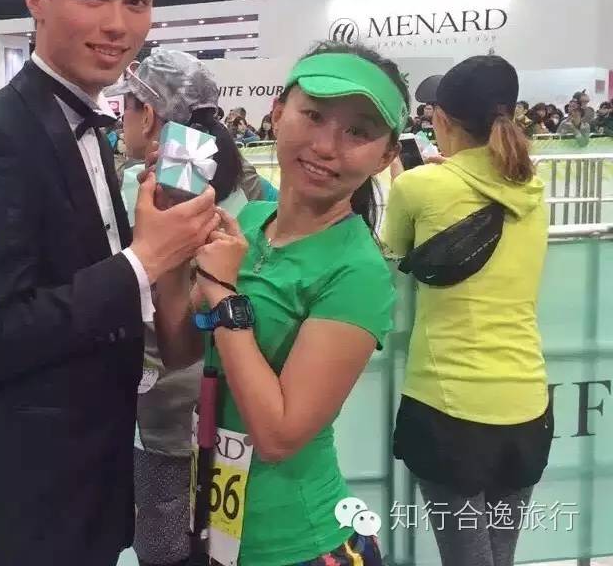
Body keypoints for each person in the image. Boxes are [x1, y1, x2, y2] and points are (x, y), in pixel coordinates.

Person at [0, 0, 219, 566]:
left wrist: (173, 269)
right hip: (19, 509)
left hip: (86, 489)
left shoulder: (84, 126)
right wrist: (144, 261)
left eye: (137, 1)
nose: (117, 23)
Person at [154, 41, 409, 566]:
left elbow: (277, 436)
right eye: (313, 116)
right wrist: (172, 250)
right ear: (276, 113)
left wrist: (224, 295)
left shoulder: (357, 270)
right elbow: (180, 351)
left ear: (386, 156)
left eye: (358, 131)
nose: (326, 146)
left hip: (303, 542)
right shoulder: (249, 224)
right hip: (220, 532)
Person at [383, 55, 552, 566]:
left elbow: (392, 254)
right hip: (528, 405)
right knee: (497, 556)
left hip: (450, 408)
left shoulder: (419, 186)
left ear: (440, 120)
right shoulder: (533, 188)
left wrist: (409, 178)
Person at [106, 49, 256, 566]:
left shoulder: (144, 187)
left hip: (166, 410)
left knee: (165, 547)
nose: (122, 121)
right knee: (224, 547)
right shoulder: (247, 180)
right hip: (238, 397)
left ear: (148, 115)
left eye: (127, 108)